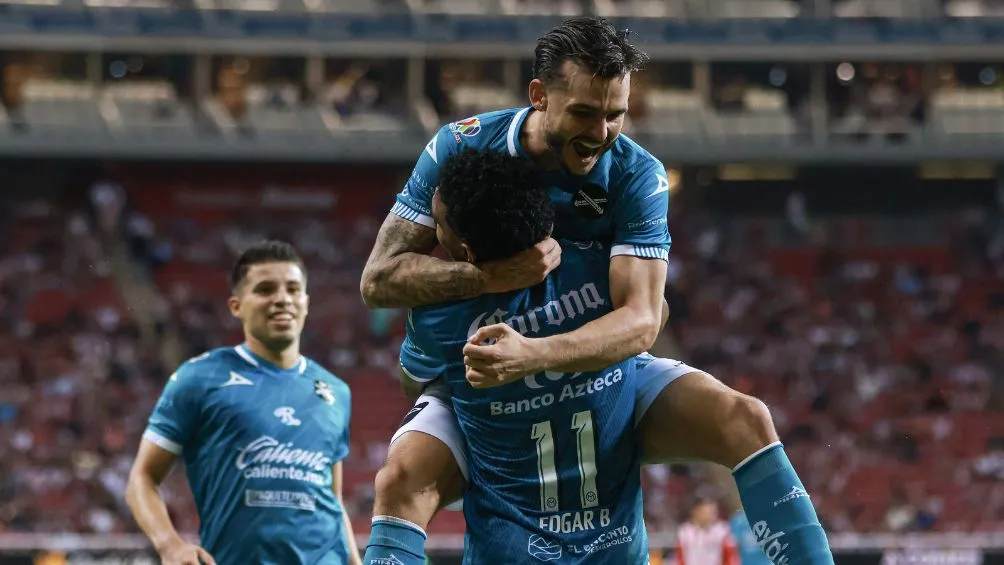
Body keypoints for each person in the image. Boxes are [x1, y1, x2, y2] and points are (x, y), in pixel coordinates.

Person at [359, 16, 833, 565]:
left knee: (744, 418)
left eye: (616, 114)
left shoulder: (635, 175)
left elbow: (642, 321)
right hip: (479, 375)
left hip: (595, 361)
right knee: (399, 479)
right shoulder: (459, 148)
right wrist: (489, 279)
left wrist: (533, 354)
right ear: (538, 95)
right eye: (584, 112)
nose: (601, 132)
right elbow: (378, 280)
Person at [373, 148, 659, 563]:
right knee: (742, 417)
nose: (433, 234)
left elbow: (412, 380)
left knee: (400, 480)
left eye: (438, 225)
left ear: (467, 251)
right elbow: (656, 313)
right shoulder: (593, 266)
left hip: (510, 526)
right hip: (607, 500)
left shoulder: (437, 314)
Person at [126, 241, 362, 565]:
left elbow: (332, 500)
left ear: (306, 302)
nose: (282, 299)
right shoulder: (200, 378)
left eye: (293, 289)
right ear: (236, 305)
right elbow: (142, 478)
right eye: (265, 289)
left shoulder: (336, 391)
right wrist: (170, 545)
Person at [675, 499, 740, 565]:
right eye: (706, 512)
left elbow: (730, 556)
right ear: (696, 511)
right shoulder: (685, 532)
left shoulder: (722, 531)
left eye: (712, 512)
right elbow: (680, 557)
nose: (710, 515)